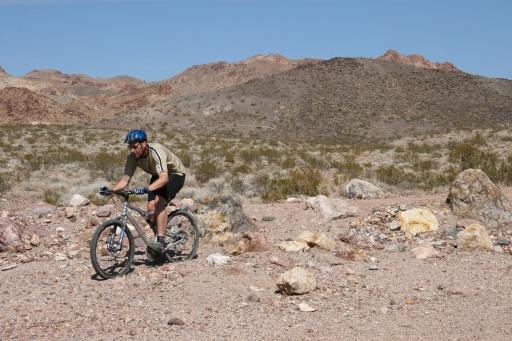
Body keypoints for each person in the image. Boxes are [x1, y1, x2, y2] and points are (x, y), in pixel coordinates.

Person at [107, 129, 186, 254]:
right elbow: (125, 180)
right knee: (150, 208)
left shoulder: (156, 151)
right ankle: (159, 232)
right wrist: (111, 190)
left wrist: (147, 189)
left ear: (144, 144)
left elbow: (164, 178)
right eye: (130, 147)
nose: (132, 150)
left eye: (135, 146)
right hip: (158, 175)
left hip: (175, 174)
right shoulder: (133, 158)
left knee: (159, 203)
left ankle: (160, 241)